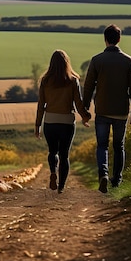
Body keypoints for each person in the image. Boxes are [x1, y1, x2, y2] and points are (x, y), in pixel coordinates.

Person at [83, 24, 131, 194]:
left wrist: (85, 110)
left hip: (102, 110)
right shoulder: (128, 61)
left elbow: (88, 88)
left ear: (105, 39)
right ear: (119, 39)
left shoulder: (97, 60)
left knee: (102, 145)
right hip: (121, 111)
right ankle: (117, 181)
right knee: (119, 146)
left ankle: (103, 174)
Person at [35, 49, 91, 194]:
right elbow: (78, 102)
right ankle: (61, 186)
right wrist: (85, 117)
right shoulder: (73, 80)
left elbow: (41, 104)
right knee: (64, 155)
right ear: (67, 63)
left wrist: (37, 125)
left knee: (52, 151)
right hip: (67, 121)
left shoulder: (45, 81)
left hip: (50, 121)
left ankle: (53, 171)